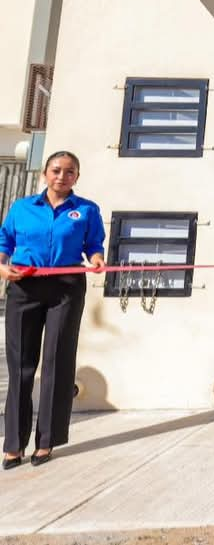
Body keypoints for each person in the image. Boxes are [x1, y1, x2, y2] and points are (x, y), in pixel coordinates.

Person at [0, 151, 105, 469]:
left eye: (69, 171)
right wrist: (3, 269)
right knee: (21, 366)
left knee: (57, 362)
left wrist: (97, 258)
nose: (62, 176)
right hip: (24, 286)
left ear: (76, 176)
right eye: (56, 170)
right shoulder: (21, 208)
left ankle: (46, 441)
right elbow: (4, 243)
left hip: (67, 288)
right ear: (45, 173)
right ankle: (14, 444)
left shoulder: (86, 210)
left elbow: (94, 244)